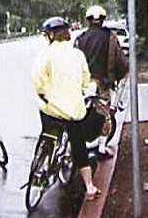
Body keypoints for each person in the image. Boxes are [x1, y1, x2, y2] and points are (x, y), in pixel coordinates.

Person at [32, 16, 103, 201]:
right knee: (79, 147)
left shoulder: (45, 54)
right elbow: (86, 81)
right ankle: (89, 187)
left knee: (48, 133)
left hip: (51, 110)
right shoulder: (77, 54)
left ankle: (43, 159)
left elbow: (38, 80)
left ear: (50, 35)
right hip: (73, 111)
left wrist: (44, 95)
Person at [74, 5, 128, 159]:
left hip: (81, 83)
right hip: (101, 84)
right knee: (106, 116)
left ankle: (78, 146)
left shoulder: (80, 39)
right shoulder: (110, 37)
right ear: (103, 20)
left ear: (87, 20)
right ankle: (102, 148)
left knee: (78, 114)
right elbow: (121, 63)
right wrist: (116, 78)